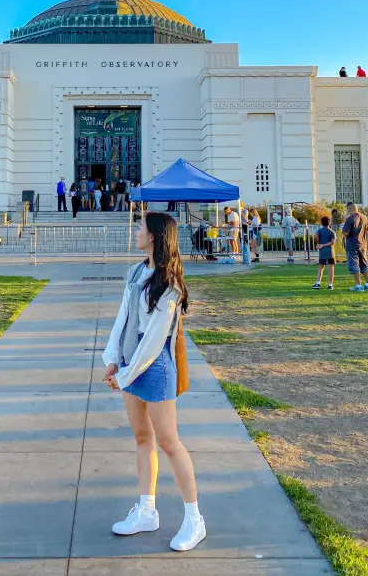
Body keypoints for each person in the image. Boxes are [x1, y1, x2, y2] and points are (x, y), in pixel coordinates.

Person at [102, 212, 206, 552]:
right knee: (142, 437)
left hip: (154, 365)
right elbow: (124, 318)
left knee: (170, 442)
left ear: (156, 237)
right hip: (131, 362)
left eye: (141, 228)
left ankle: (194, 519)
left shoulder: (170, 285)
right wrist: (113, 359)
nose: (136, 232)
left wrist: (126, 373)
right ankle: (147, 510)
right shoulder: (135, 272)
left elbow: (154, 340)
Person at [342, 202, 368, 291]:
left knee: (354, 264)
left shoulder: (350, 219)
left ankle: (358, 286)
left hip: (352, 244)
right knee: (364, 264)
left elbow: (345, 232)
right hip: (363, 245)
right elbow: (367, 231)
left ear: (349, 209)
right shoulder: (365, 217)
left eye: (347, 209)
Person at [312, 215, 335, 290]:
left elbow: (315, 236)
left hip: (322, 252)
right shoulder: (332, 232)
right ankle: (330, 284)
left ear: (321, 223)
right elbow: (333, 242)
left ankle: (318, 283)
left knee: (321, 267)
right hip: (330, 251)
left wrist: (319, 244)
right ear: (329, 223)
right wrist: (324, 245)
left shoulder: (320, 231)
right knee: (331, 267)